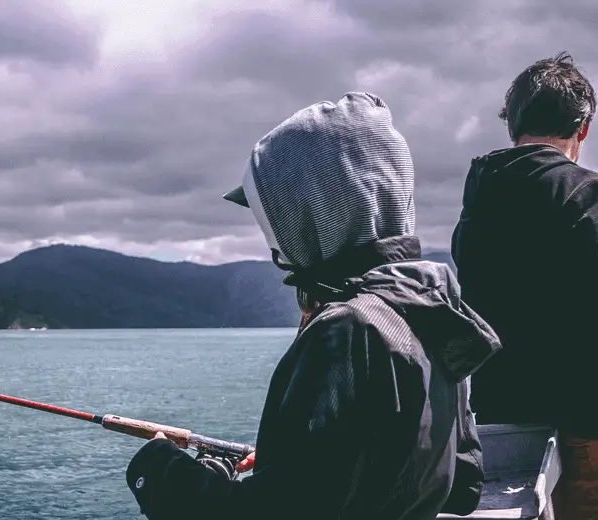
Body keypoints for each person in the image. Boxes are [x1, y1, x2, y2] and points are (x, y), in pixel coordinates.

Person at [125, 92, 501, 520]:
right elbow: (463, 485)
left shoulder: (346, 329)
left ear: (309, 210)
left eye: (273, 213)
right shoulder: (432, 303)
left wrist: (157, 468)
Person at [451, 51, 598, 519]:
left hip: (499, 424)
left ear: (513, 125)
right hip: (584, 427)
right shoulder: (588, 198)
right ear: (583, 129)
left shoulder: (476, 208)